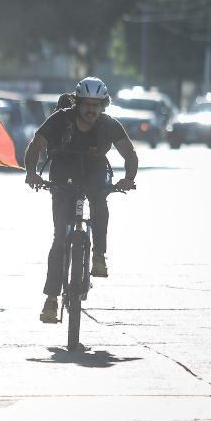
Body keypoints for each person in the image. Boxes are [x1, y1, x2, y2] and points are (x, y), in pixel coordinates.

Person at [23, 77, 138, 324]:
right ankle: (51, 301)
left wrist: (129, 178)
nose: (91, 110)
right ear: (77, 103)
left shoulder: (109, 125)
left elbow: (129, 152)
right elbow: (35, 146)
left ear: (104, 105)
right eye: (86, 104)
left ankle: (98, 254)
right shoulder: (60, 119)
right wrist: (31, 173)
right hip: (63, 173)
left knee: (100, 202)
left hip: (95, 171)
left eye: (97, 105)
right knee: (59, 239)